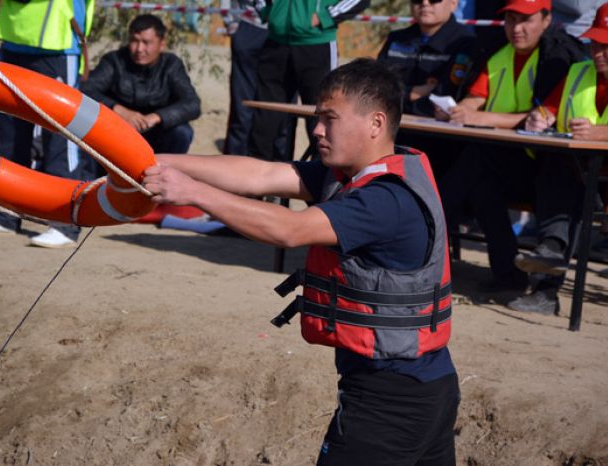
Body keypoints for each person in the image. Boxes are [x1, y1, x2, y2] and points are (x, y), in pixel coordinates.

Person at [142, 58, 459, 465]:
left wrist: (191, 192)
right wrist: (158, 161)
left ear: (375, 124)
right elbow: (260, 175)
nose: (317, 130)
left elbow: (289, 230)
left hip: (390, 401)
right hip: (427, 387)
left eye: (329, 119)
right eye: (316, 118)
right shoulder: (352, 173)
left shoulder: (385, 199)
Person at [436, 0, 587, 307]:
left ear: (547, 20)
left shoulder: (560, 56)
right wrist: (459, 110)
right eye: (510, 20)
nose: (516, 29)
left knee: (554, 173)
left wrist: (482, 118)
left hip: (564, 169)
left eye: (525, 20)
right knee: (476, 174)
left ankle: (426, 234)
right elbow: (475, 98)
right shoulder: (500, 55)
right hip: (522, 162)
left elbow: (541, 116)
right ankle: (507, 275)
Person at [0, 0, 95, 248]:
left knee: (60, 139)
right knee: (7, 134)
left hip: (58, 44)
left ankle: (65, 223)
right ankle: (4, 215)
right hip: (14, 41)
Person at [517, 0, 608, 307]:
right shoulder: (579, 71)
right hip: (585, 173)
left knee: (571, 182)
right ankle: (549, 258)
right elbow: (549, 108)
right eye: (594, 43)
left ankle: (548, 277)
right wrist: (540, 117)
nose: (596, 52)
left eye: (606, 45)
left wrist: (602, 133)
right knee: (558, 168)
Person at [247, 0, 370, 162]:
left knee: (322, 116)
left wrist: (325, 16)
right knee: (264, 119)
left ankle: (321, 179)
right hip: (275, 44)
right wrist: (267, 11)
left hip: (317, 45)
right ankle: (256, 180)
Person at [377, 0, 476, 177]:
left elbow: (444, 99)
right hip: (392, 134)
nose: (424, 3)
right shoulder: (397, 38)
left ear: (453, 4)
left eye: (434, 0)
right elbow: (376, 89)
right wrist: (413, 92)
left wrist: (399, 99)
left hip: (440, 144)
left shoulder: (465, 43)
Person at [82, 14, 200, 156]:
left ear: (162, 44)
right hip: (117, 130)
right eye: (134, 41)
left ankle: (167, 172)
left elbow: (192, 104)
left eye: (146, 42)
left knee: (182, 132)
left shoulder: (171, 65)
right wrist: (119, 110)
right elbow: (86, 90)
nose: (139, 49)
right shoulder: (114, 61)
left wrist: (157, 117)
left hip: (157, 131)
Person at [220, 0, 269, 155]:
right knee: (242, 109)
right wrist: (232, 23)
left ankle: (273, 170)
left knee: (275, 111)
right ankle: (231, 168)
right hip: (248, 27)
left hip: (285, 35)